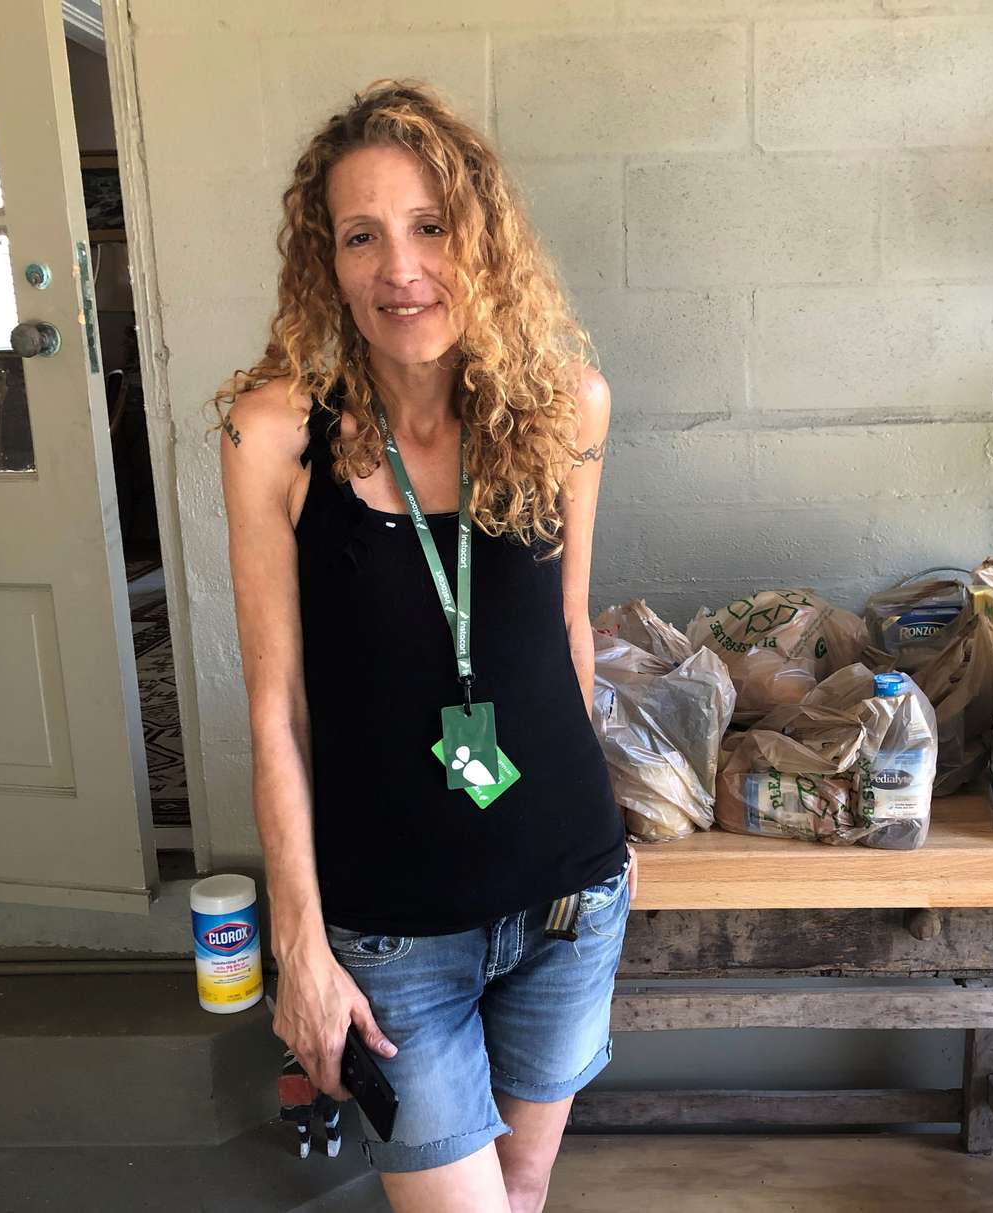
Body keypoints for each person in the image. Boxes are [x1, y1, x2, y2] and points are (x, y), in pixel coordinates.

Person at [210, 79, 636, 1213]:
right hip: (389, 931)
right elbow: (274, 711)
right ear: (328, 262)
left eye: (430, 226)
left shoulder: (566, 408)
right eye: (363, 236)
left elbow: (567, 637)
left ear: (480, 240)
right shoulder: (275, 435)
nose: (400, 267)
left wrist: (603, 847)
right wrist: (296, 944)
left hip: (564, 899)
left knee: (528, 1182)